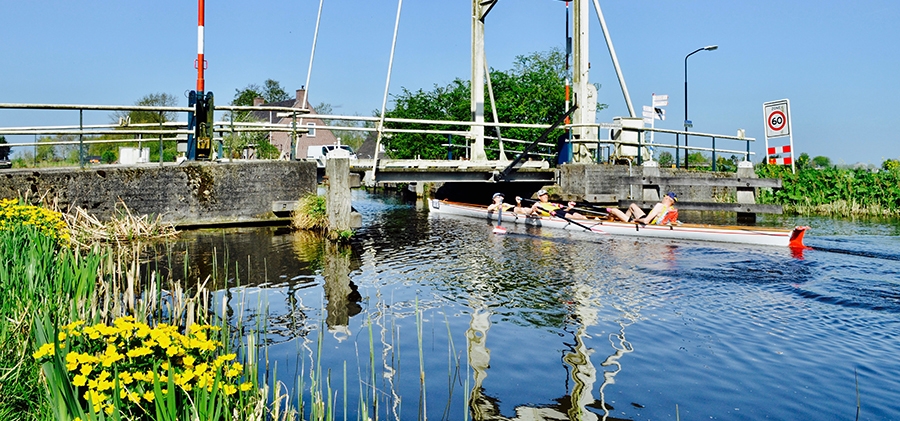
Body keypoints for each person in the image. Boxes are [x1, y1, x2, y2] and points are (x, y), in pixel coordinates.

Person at [607, 192, 679, 225]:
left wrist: (636, 220)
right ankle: (624, 222)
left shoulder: (659, 206)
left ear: (667, 198)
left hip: (645, 222)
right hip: (648, 220)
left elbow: (646, 221)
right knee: (632, 205)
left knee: (613, 210)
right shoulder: (671, 209)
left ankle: (613, 223)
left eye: (664, 197)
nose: (663, 198)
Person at [521, 189, 586, 219]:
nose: (545, 196)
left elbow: (564, 211)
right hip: (553, 214)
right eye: (543, 195)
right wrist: (534, 211)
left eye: (546, 194)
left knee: (581, 216)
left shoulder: (551, 203)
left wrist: (569, 208)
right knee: (572, 217)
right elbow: (533, 212)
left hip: (560, 212)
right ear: (539, 197)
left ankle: (593, 221)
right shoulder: (537, 204)